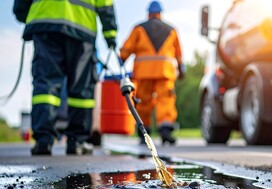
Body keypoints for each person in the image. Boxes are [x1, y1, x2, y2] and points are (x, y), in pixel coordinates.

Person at [13, 0, 117, 155]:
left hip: (46, 20)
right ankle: (77, 141)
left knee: (46, 85)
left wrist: (23, 13)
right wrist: (110, 34)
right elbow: (105, 4)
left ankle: (43, 140)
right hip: (81, 25)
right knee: (81, 86)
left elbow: (20, 7)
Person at [120, 0, 184, 145]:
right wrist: (181, 68)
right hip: (164, 72)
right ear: (160, 14)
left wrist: (121, 60)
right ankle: (165, 130)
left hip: (144, 72)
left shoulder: (139, 29)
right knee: (165, 101)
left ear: (148, 13)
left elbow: (126, 49)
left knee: (142, 101)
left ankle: (144, 131)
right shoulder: (171, 30)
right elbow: (179, 53)